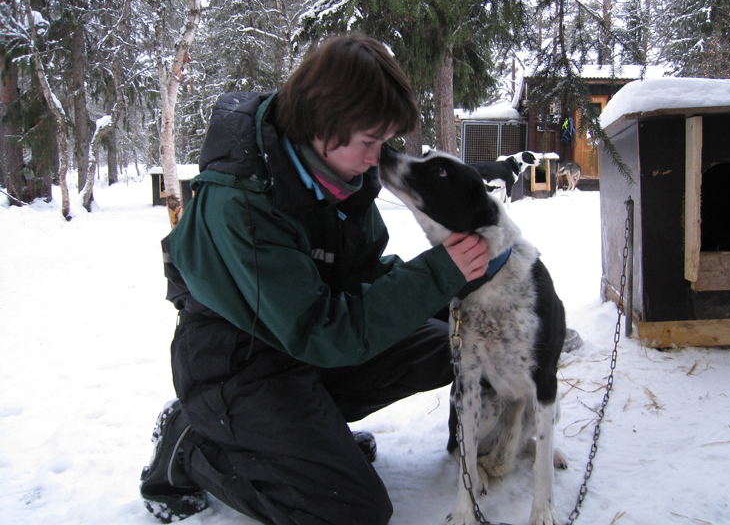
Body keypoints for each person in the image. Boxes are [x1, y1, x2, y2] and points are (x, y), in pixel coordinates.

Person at [139, 32, 489, 525]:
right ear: (325, 123)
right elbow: (321, 330)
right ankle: (195, 446)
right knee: (351, 513)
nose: (377, 158)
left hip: (304, 342)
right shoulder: (244, 201)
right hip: (235, 361)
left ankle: (306, 442)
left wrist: (469, 300)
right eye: (370, 141)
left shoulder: (341, 179)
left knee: (451, 349)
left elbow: (365, 278)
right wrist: (438, 275)